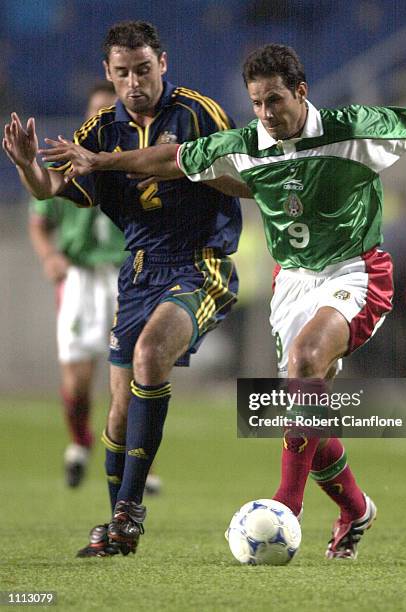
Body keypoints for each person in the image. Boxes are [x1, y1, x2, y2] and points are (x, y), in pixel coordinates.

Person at [27, 43, 406, 560]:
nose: (266, 113)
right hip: (292, 283)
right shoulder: (250, 141)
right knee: (305, 412)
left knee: (306, 360)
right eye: (257, 103)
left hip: (355, 272)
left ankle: (285, 505)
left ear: (301, 93)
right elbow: (173, 157)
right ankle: (356, 509)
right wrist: (101, 160)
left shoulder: (352, 127)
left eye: (275, 100)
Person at [4, 20, 246, 557]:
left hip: (198, 262)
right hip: (137, 272)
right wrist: (26, 167)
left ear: (163, 64)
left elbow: (243, 180)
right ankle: (119, 534)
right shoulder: (97, 133)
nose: (134, 81)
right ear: (108, 75)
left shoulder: (199, 113)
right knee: (115, 412)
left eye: (143, 69)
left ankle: (129, 512)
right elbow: (55, 189)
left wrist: (184, 166)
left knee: (150, 354)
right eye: (122, 73)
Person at [29, 81, 162, 495]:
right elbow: (41, 212)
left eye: (112, 111)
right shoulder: (71, 161)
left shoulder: (136, 157)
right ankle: (80, 441)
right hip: (82, 277)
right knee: (78, 380)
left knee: (132, 374)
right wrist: (50, 256)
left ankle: (133, 463)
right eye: (97, 112)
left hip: (128, 274)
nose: (104, 119)